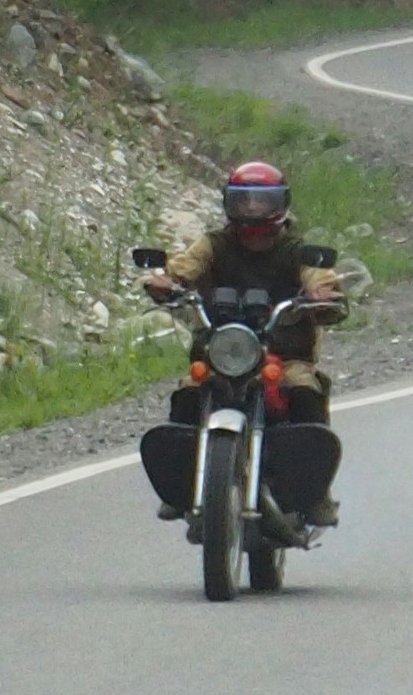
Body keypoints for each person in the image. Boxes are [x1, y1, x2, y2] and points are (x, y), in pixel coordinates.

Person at [138, 158, 349, 524]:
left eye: (262, 201)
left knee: (304, 388)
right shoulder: (215, 245)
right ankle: (182, 488)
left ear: (281, 205)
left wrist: (322, 293)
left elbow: (321, 278)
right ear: (229, 204)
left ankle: (315, 494)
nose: (252, 210)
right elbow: (183, 269)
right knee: (188, 391)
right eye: (243, 201)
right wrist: (167, 282)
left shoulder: (296, 251)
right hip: (221, 352)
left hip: (283, 356)